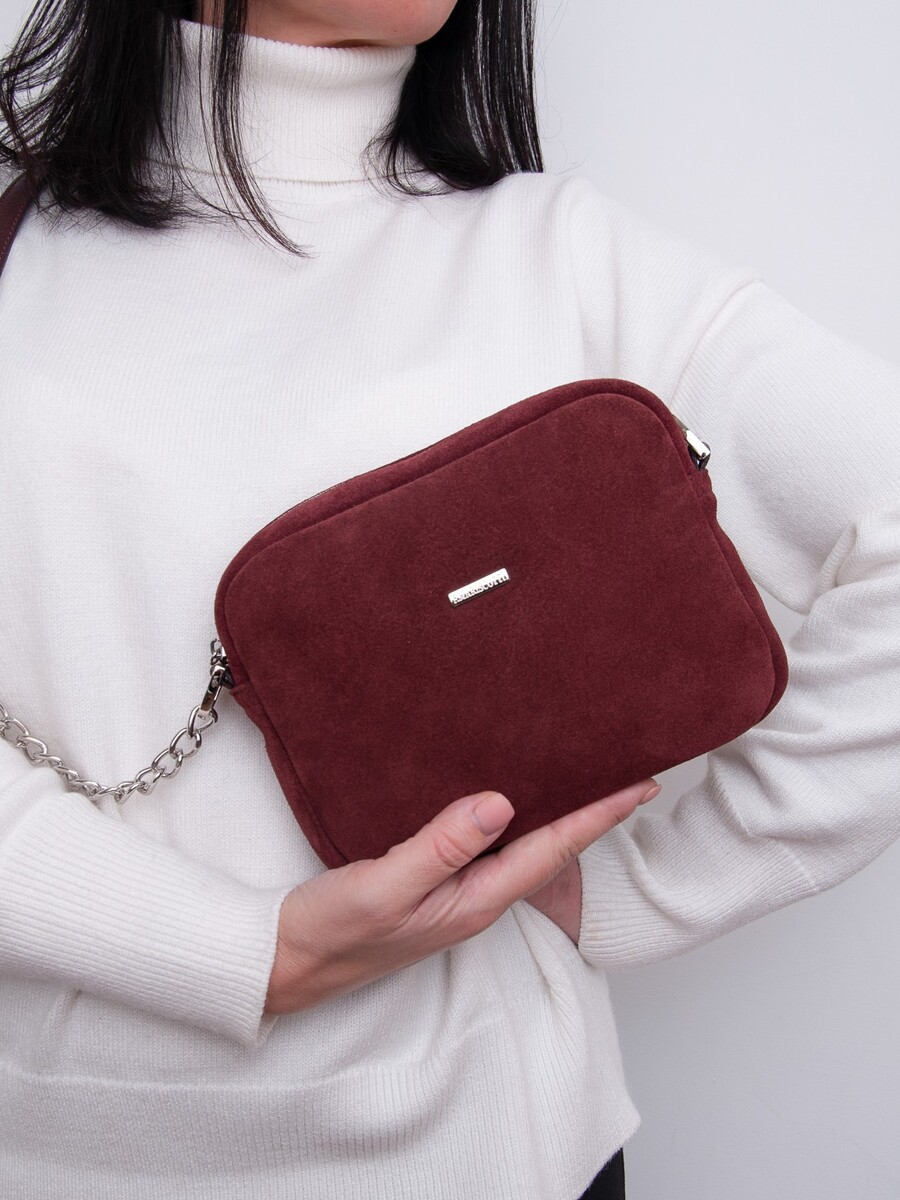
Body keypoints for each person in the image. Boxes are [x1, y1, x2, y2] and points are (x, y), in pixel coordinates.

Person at [0, 0, 897, 1196]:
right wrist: (249, 953)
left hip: (493, 1153)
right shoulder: (18, 253)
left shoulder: (553, 254)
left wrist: (644, 890)